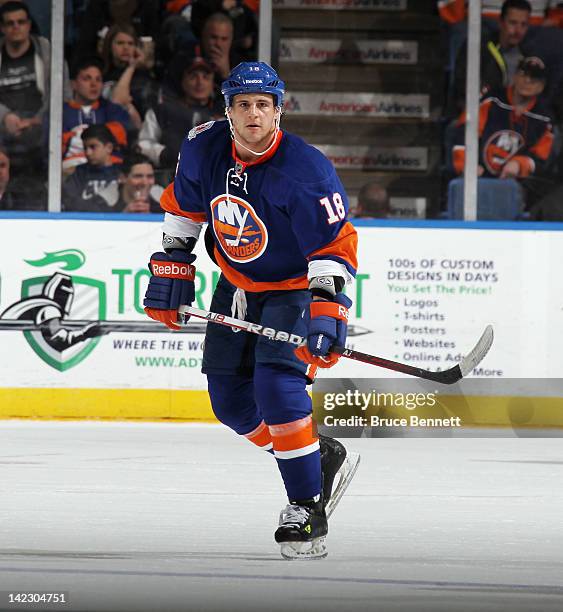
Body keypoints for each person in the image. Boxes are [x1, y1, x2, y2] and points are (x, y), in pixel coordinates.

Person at [142, 62, 360, 559]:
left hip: (294, 289)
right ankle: (315, 455)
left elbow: (335, 243)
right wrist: (173, 264)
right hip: (237, 283)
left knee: (278, 387)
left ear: (279, 110)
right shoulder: (203, 145)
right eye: (243, 104)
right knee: (230, 402)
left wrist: (327, 307)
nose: (253, 113)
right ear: (228, 110)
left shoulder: (305, 169)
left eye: (264, 104)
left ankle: (306, 505)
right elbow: (185, 208)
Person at [452, 56, 554, 210]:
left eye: (534, 78)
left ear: (542, 86)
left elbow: (541, 157)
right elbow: (463, 132)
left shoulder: (544, 118)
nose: (527, 81)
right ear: (515, 76)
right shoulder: (492, 100)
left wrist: (519, 164)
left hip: (516, 189)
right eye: (523, 74)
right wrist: (467, 163)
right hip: (477, 179)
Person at [0, 1, 70, 174]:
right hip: (3, 127)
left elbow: (63, 94)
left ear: (29, 24)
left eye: (21, 22)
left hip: (42, 125)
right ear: (2, 28)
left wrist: (38, 120)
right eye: (10, 23)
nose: (16, 27)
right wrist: (5, 116)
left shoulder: (47, 51)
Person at [138, 53, 224, 169]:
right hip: (169, 176)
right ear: (182, 81)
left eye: (206, 77)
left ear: (212, 84)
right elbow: (143, 144)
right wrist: (164, 154)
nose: (200, 83)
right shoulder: (163, 110)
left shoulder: (225, 115)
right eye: (193, 77)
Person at [448, 0, 533, 117]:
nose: (518, 31)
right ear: (501, 22)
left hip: (517, 120)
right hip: (481, 117)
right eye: (513, 23)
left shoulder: (530, 56)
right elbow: (462, 89)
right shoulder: (479, 48)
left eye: (523, 24)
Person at [62, 57, 130, 172]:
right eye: (87, 79)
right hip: (70, 169)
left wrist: (73, 136)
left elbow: (119, 138)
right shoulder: (60, 111)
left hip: (110, 169)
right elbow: (53, 147)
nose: (94, 84)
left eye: (98, 80)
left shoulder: (111, 109)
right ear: (73, 84)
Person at [62, 124, 120, 212]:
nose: (88, 153)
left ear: (109, 147)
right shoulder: (79, 173)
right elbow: (70, 202)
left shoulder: (121, 172)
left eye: (93, 147)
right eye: (85, 148)